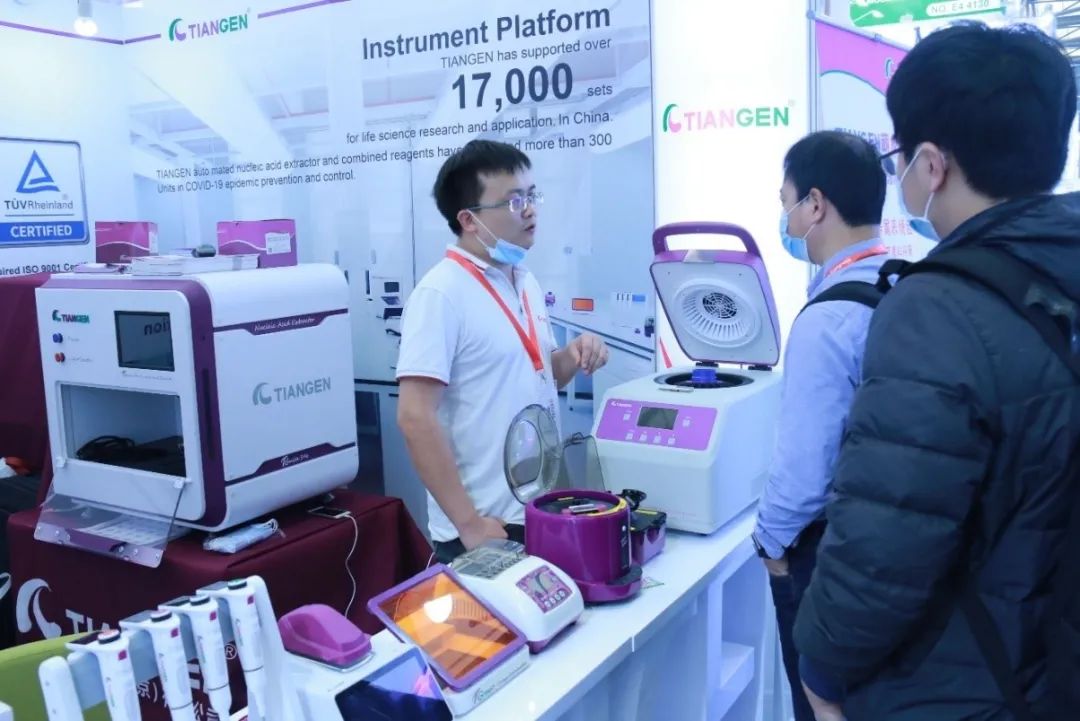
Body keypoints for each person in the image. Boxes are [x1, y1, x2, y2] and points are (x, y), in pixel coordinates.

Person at [794, 22, 1080, 721]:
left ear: (931, 164)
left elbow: (884, 537)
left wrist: (821, 666)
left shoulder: (937, 309)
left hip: (964, 680)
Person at [396, 140, 609, 563]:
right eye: (514, 202)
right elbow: (415, 416)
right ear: (469, 220)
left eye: (531, 196)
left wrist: (572, 355)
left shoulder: (523, 280)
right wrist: (469, 525)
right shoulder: (441, 293)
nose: (530, 211)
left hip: (538, 510)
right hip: (485, 528)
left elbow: (539, 374)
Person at [751, 130, 889, 721]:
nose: (785, 218)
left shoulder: (827, 318)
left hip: (825, 553)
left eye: (786, 202)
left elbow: (805, 470)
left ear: (815, 204)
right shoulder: (906, 281)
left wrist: (771, 546)